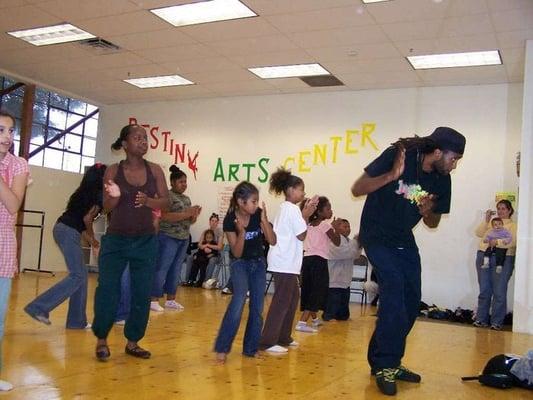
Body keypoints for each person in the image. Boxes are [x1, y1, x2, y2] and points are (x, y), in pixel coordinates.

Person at [351, 126, 465, 396]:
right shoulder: (399, 155)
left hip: (403, 239)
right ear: (437, 152)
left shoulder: (442, 179)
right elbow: (357, 188)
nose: (455, 165)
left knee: (411, 302)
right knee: (394, 292)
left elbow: (434, 221)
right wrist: (391, 175)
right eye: (454, 158)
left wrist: (428, 212)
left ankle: (383, 360)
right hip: (376, 234)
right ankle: (387, 364)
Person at [92, 123, 169, 361]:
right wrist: (114, 197)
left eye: (145, 138)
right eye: (137, 138)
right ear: (125, 144)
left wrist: (149, 201)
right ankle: (102, 339)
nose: (143, 141)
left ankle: (133, 342)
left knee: (141, 291)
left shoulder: (155, 170)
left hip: (145, 241)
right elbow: (105, 208)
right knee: (108, 290)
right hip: (116, 241)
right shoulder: (113, 171)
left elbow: (165, 203)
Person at [24, 163, 106, 329]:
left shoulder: (82, 193)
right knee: (78, 275)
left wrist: (93, 243)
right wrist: (93, 239)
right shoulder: (97, 195)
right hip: (68, 232)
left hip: (62, 229)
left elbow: (79, 225)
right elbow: (86, 220)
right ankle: (38, 307)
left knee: (80, 275)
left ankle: (76, 321)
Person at [214, 181, 276, 364]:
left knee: (257, 307)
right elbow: (237, 253)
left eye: (257, 201)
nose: (256, 205)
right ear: (241, 202)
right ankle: (222, 347)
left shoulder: (258, 214)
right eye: (253, 201)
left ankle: (250, 348)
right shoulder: (229, 220)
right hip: (239, 264)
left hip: (258, 263)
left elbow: (272, 241)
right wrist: (241, 233)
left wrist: (264, 221)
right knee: (239, 300)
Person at [259, 167, 317, 354]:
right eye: (301, 189)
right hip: (284, 262)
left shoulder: (287, 209)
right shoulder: (291, 209)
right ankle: (267, 341)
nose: (303, 193)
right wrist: (306, 214)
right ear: (291, 190)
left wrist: (305, 214)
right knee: (282, 300)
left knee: (292, 299)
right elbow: (301, 235)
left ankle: (283, 336)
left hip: (287, 262)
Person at [0, 111, 29, 392]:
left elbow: (12, 205)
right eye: (1, 130)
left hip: (2, 248)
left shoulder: (18, 166)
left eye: (10, 131)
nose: (7, 137)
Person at [150, 166, 200, 311]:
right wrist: (187, 213)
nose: (184, 184)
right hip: (168, 237)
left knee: (176, 269)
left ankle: (170, 299)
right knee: (162, 268)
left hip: (183, 238)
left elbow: (189, 221)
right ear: (172, 182)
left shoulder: (186, 199)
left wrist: (194, 215)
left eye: (185, 182)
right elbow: (164, 216)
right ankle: (153, 299)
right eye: (181, 182)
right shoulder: (167, 197)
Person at [297, 196, 341, 332]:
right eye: (328, 208)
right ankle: (302, 322)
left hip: (307, 260)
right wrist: (336, 229)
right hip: (319, 260)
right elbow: (337, 242)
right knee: (318, 290)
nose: (331, 211)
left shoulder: (309, 225)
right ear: (320, 212)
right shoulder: (325, 225)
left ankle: (314, 319)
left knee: (309, 289)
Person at [473, 200, 517, 330]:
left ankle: (496, 321)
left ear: (509, 210)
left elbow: (513, 241)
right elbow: (479, 233)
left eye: (503, 208)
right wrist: (486, 220)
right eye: (498, 208)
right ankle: (481, 319)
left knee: (499, 291)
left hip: (503, 258)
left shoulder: (513, 225)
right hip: (483, 256)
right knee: (484, 290)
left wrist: (496, 242)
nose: (500, 211)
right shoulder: (493, 223)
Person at [323, 219, 361, 321]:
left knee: (344, 316)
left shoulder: (349, 241)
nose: (348, 229)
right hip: (334, 280)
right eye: (345, 227)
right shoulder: (333, 241)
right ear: (337, 228)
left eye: (349, 227)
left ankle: (339, 315)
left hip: (345, 280)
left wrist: (358, 243)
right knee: (331, 310)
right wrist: (356, 242)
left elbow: (355, 254)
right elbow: (344, 253)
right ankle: (328, 315)